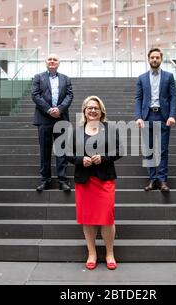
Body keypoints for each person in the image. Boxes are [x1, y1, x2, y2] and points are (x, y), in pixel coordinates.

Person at [66, 96, 122, 270]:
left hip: (104, 179)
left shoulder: (110, 129)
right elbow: (67, 154)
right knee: (88, 219)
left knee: (107, 218)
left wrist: (104, 158)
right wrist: (80, 159)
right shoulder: (75, 131)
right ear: (84, 111)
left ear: (101, 111)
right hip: (84, 180)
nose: (92, 110)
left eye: (96, 108)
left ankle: (110, 253)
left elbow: (119, 151)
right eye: (89, 108)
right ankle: (92, 253)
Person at [135, 47, 176, 192]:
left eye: (157, 57)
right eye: (152, 57)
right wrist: (138, 117)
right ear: (148, 59)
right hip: (147, 117)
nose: (154, 59)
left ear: (161, 59)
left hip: (163, 116)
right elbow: (138, 98)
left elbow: (173, 97)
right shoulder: (142, 78)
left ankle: (163, 180)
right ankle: (153, 180)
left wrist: (172, 115)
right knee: (148, 151)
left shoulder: (169, 76)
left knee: (163, 150)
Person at [32, 54, 73, 191]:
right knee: (45, 150)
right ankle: (45, 180)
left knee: (62, 150)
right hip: (44, 118)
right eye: (49, 59)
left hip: (61, 118)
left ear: (59, 63)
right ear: (45, 62)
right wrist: (49, 110)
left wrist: (59, 109)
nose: (52, 61)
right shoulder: (38, 77)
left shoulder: (66, 79)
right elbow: (35, 95)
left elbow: (69, 95)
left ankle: (62, 180)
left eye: (55, 59)